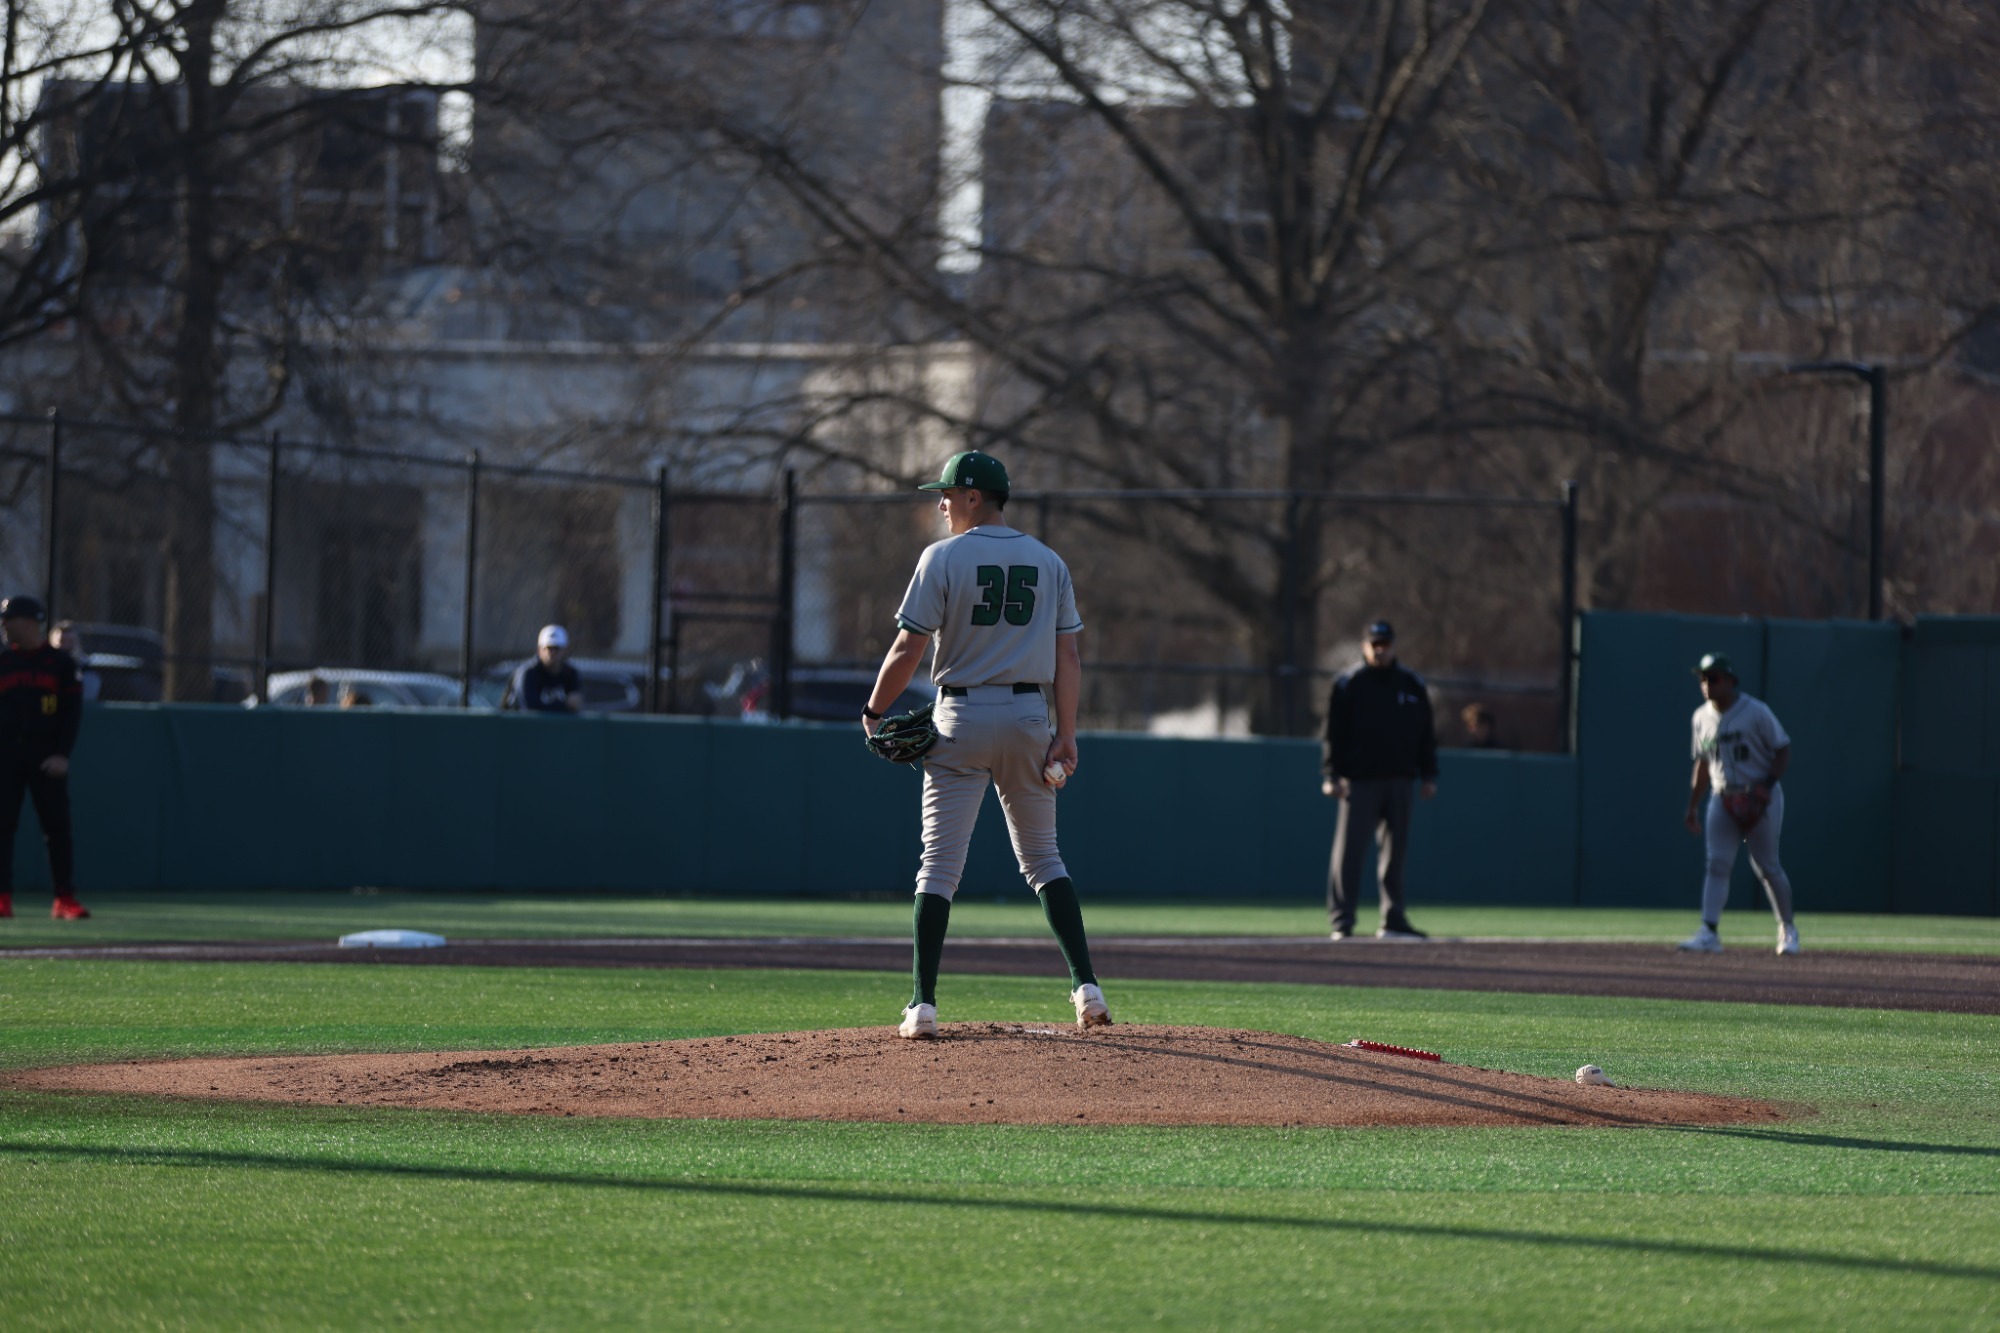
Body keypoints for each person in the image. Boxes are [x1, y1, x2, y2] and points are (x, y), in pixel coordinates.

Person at [862, 450, 1109, 1037]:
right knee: (1045, 860)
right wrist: (1065, 734)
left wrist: (873, 711)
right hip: (1029, 717)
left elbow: (907, 649)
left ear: (975, 496)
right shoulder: (1048, 560)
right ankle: (1087, 989)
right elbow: (1068, 655)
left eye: (947, 493)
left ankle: (922, 1005)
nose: (941, 503)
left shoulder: (942, 557)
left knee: (938, 868)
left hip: (960, 719)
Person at [1320, 620, 1438, 941]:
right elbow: (1333, 734)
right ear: (1364, 646)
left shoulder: (1411, 684)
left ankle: (1393, 919)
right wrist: (1332, 774)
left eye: (1384, 644)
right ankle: (1342, 921)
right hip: (1360, 780)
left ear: (1393, 645)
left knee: (1395, 853)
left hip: (1400, 779)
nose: (1380, 650)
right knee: (1349, 852)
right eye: (1374, 644)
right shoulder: (1349, 683)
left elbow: (1426, 735)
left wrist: (1429, 773)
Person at [1680, 653, 1799, 955]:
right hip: (1722, 796)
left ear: (1730, 681)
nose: (1707, 684)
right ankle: (1709, 932)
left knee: (1767, 866)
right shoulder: (1700, 717)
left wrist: (1767, 786)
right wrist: (1693, 806)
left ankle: (1788, 929)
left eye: (1713, 678)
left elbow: (1783, 749)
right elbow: (1703, 765)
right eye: (1703, 678)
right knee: (1717, 863)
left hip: (1759, 796)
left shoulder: (1756, 711)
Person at [0, 596, 88, 920]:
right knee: (2, 826)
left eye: (10, 619)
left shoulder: (61, 665)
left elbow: (71, 715)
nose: (5, 625)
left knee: (57, 828)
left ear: (30, 622)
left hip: (46, 757)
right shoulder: (4, 662)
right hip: (6, 756)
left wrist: (62, 755)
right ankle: (2, 897)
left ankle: (64, 898)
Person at [504, 624, 583, 712]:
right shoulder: (528, 673)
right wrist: (565, 704)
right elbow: (530, 709)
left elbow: (575, 705)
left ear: (565, 650)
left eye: (556, 648)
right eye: (548, 648)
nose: (552, 652)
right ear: (539, 650)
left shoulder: (570, 673)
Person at [49, 622, 101, 702]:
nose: (67, 647)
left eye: (71, 641)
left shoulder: (88, 672)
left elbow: (87, 698)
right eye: (62, 642)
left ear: (78, 644)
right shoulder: (43, 669)